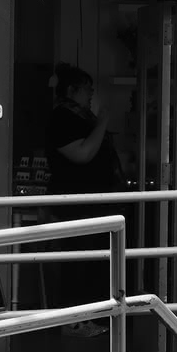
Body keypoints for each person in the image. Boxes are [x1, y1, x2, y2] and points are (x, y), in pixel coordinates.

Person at [42, 64, 128, 335]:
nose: (91, 94)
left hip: (92, 205)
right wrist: (102, 121)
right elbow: (82, 154)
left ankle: (92, 317)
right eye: (87, 89)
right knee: (79, 262)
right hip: (77, 206)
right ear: (71, 90)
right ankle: (76, 321)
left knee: (93, 262)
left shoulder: (78, 115)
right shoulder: (62, 118)